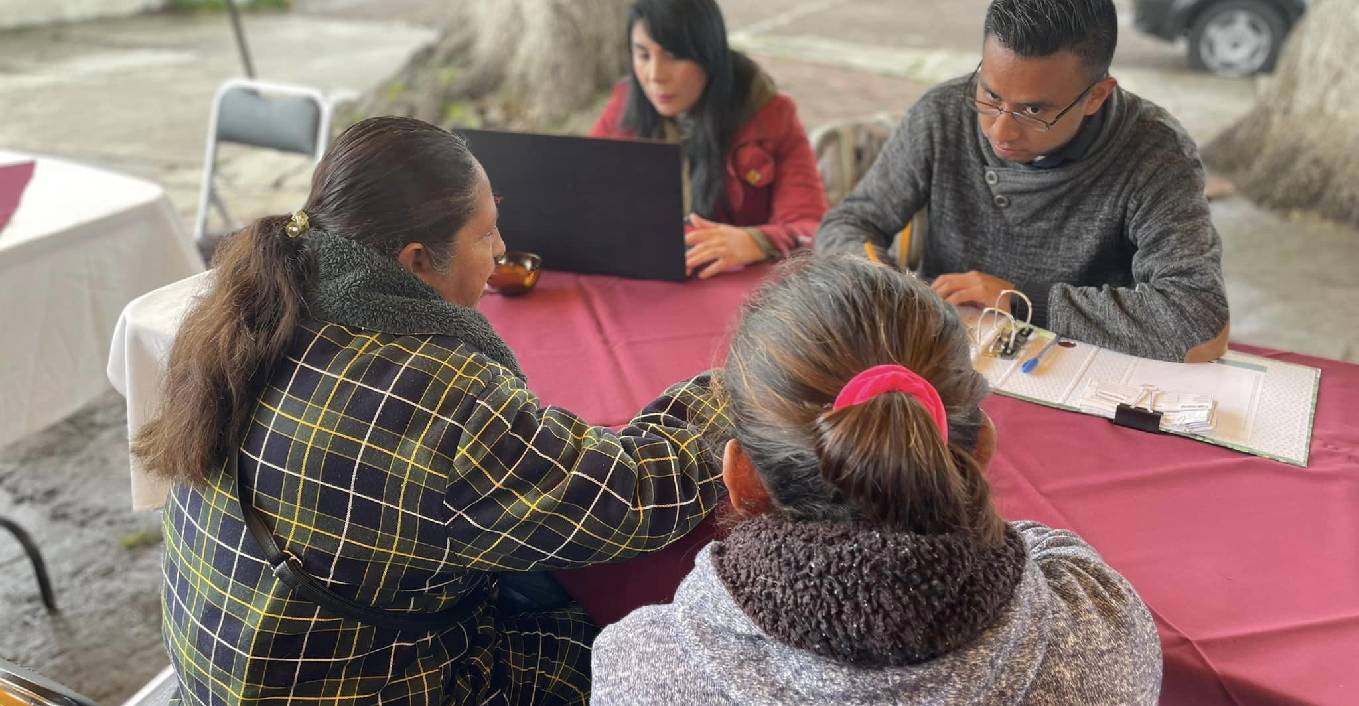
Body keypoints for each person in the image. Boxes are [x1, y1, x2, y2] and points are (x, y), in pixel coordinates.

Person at [134, 116, 728, 706]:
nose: (500, 250)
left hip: (221, 675)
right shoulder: (436, 396)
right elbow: (636, 495)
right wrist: (742, 385)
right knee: (643, 645)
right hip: (366, 685)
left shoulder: (248, 308)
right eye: (484, 233)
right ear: (418, 260)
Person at [591, 255, 1163, 705]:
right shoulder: (1103, 630)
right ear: (978, 450)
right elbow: (1041, 547)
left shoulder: (641, 667)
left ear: (741, 478)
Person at [815, 0, 1230, 363]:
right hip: (948, 360)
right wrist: (883, 281)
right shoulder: (942, 115)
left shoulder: (1155, 153)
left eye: (1033, 110)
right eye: (990, 96)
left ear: (1096, 96)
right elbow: (847, 225)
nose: (1000, 133)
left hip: (1075, 377)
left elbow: (1198, 320)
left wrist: (1019, 301)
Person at [590, 0, 829, 279]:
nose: (655, 76)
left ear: (709, 55)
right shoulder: (623, 106)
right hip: (642, 282)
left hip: (743, 293)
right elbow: (581, 198)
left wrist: (757, 241)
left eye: (673, 56)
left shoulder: (772, 116)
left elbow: (811, 227)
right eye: (643, 55)